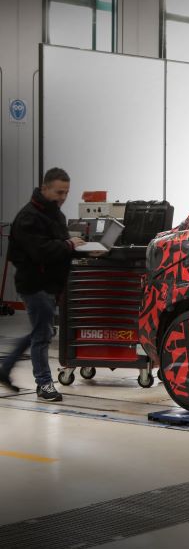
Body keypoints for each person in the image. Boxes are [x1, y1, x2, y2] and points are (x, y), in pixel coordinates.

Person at [0, 168, 85, 400]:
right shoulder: (28, 217)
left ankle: (5, 368)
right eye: (59, 192)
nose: (63, 197)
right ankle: (44, 383)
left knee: (41, 330)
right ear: (44, 188)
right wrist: (69, 245)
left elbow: (60, 245)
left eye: (66, 192)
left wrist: (82, 249)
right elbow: (40, 251)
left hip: (50, 284)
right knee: (42, 334)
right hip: (34, 285)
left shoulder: (55, 214)